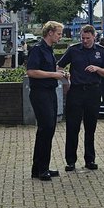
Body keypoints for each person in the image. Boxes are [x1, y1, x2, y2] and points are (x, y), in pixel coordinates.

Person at [57, 24, 104, 171]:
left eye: (88, 38)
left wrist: (97, 69)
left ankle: (90, 160)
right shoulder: (73, 50)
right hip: (76, 92)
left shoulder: (101, 51)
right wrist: (65, 77)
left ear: (94, 37)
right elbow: (59, 66)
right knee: (72, 127)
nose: (85, 41)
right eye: (83, 38)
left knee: (90, 128)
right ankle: (71, 161)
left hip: (93, 92)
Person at [25, 21, 67, 182]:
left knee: (48, 129)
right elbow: (31, 71)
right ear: (50, 32)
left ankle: (40, 167)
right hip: (40, 93)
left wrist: (60, 72)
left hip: (49, 92)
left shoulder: (49, 50)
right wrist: (53, 75)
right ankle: (41, 169)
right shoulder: (37, 49)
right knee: (46, 128)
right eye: (58, 33)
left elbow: (48, 69)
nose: (60, 36)